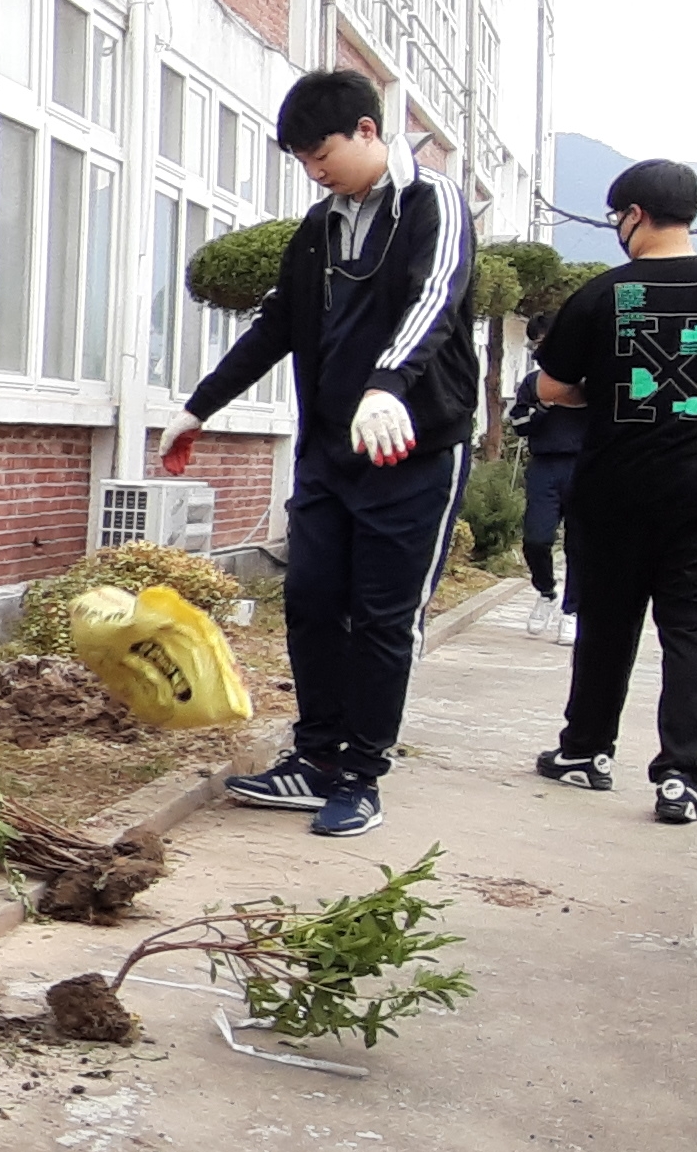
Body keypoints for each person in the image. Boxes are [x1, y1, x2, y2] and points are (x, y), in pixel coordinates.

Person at [158, 69, 477, 839]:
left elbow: (434, 297)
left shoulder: (430, 203)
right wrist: (198, 406)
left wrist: (386, 385)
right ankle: (315, 756)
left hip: (414, 449)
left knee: (382, 617)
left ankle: (362, 775)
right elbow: (277, 326)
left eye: (320, 151)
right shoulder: (321, 225)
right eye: (301, 158)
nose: (314, 169)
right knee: (310, 602)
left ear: (368, 130)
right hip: (330, 453)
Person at [529, 159, 697, 823]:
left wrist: (607, 391)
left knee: (608, 627)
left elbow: (552, 388)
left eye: (617, 217)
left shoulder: (603, 295)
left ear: (634, 215)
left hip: (618, 488)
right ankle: (680, 777)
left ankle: (586, 752)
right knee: (693, 631)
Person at [507, 320, 584, 643]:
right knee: (536, 539)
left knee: (580, 545)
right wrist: (544, 406)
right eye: (536, 344)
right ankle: (546, 592)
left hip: (585, 467)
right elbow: (520, 423)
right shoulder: (533, 383)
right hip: (545, 466)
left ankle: (572, 611)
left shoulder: (588, 381)